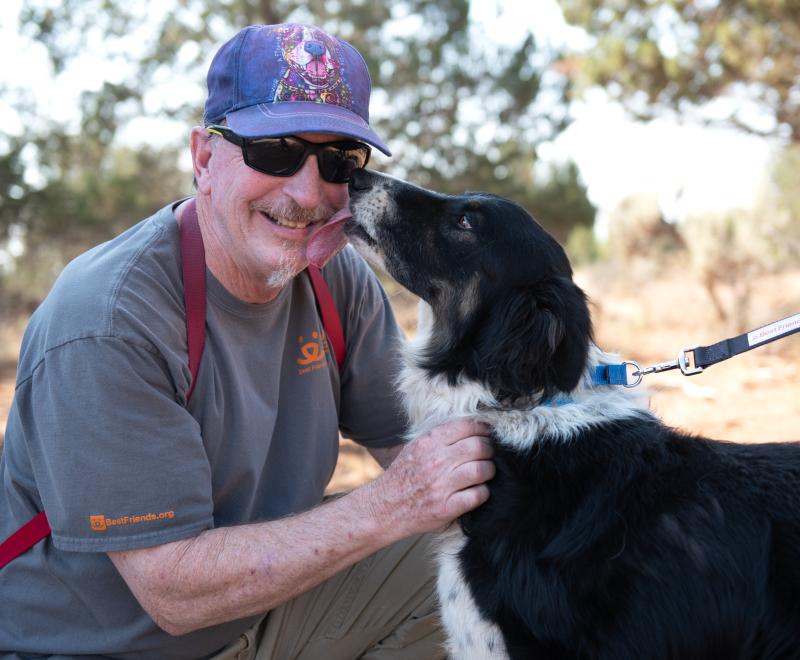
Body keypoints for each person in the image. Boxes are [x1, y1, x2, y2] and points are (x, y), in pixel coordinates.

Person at [0, 22, 495, 660]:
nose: (308, 193)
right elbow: (174, 594)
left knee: (488, 566)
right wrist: (394, 506)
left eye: (337, 161)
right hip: (103, 647)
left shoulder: (333, 276)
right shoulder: (110, 320)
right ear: (205, 158)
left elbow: (423, 455)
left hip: (260, 616)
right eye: (274, 152)